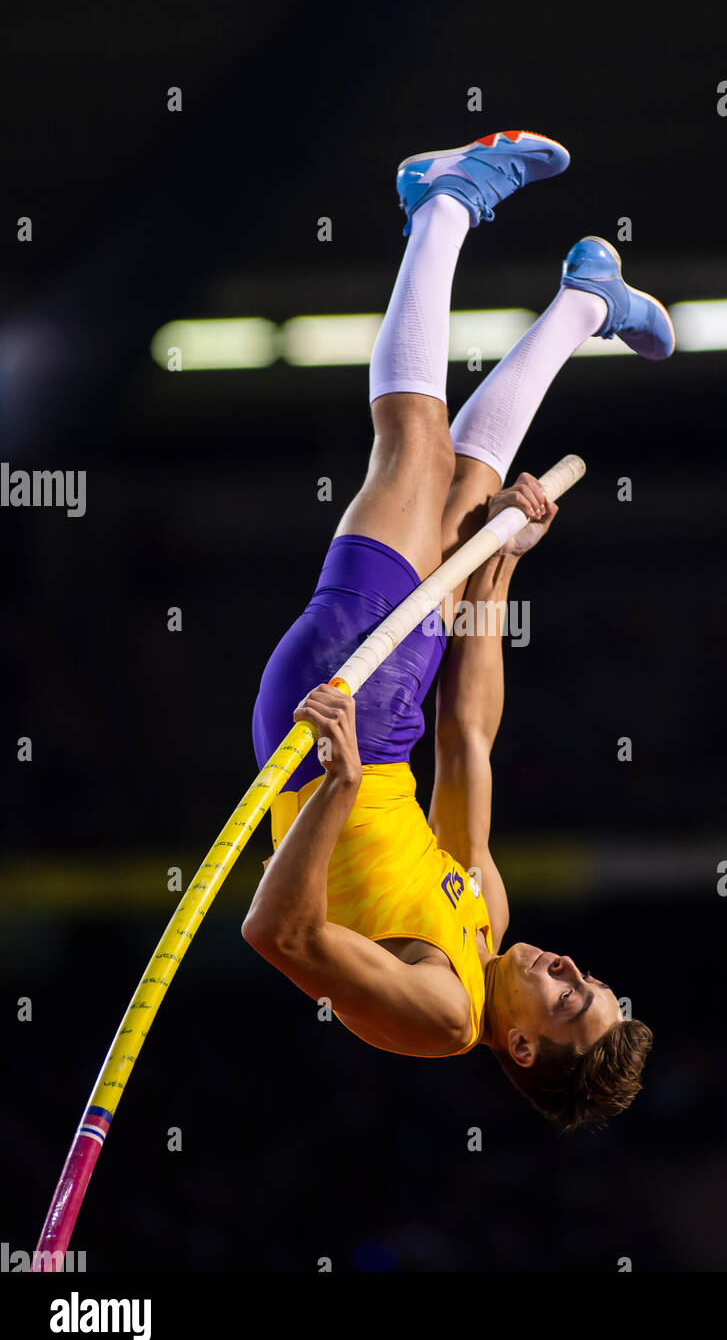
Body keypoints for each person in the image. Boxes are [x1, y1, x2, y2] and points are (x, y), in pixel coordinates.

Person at [242, 130, 672, 1129]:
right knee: (476, 501)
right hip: (385, 729)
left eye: (567, 999)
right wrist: (494, 582)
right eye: (589, 978)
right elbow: (467, 738)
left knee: (415, 447)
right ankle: (585, 301)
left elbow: (279, 932)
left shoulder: (439, 1013)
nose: (568, 967)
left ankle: (440, 201)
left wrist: (341, 785)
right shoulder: (485, 915)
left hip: (332, 731)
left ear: (521, 1046)